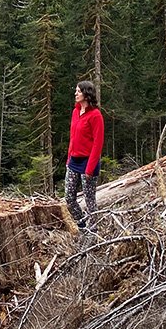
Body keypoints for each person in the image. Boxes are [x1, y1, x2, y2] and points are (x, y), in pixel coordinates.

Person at [65, 79, 105, 233]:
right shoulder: (75, 112)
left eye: (79, 91)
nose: (76, 93)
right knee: (69, 198)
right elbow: (73, 138)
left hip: (89, 162)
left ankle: (94, 233)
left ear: (86, 94)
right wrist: (69, 158)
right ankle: (82, 226)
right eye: (76, 91)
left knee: (89, 201)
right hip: (73, 161)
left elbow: (98, 144)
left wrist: (89, 169)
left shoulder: (96, 116)